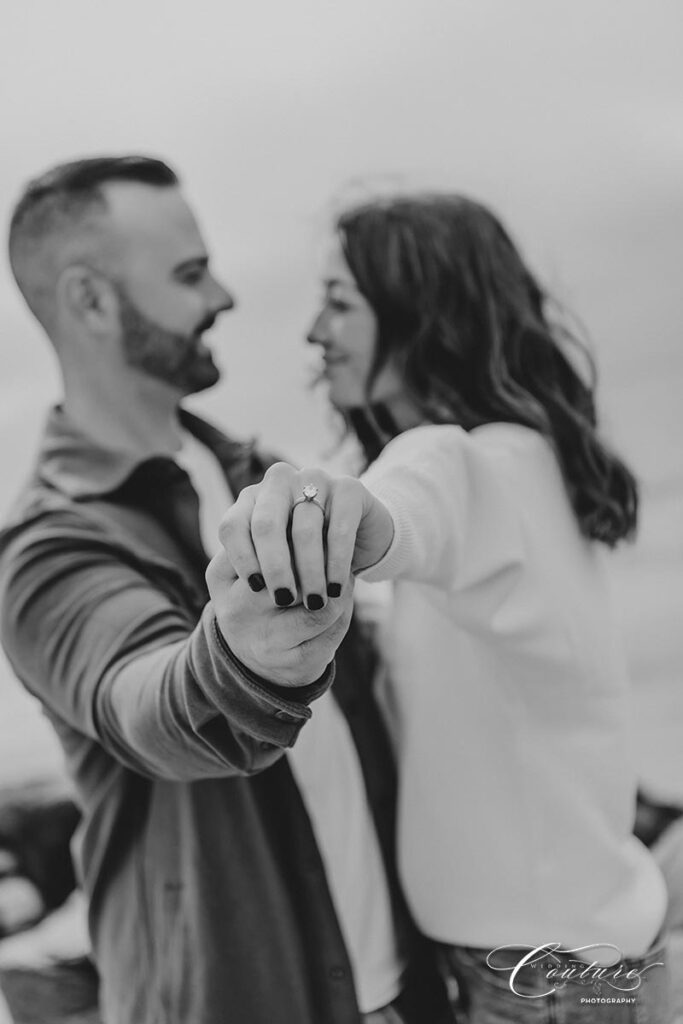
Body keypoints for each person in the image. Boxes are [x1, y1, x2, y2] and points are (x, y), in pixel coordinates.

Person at [0, 159, 449, 1024]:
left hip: (407, 990)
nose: (224, 296)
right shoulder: (48, 546)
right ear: (91, 301)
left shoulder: (254, 472)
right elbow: (144, 702)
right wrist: (241, 663)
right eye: (188, 273)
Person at [217, 193, 672, 1023]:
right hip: (577, 958)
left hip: (543, 983)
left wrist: (322, 515)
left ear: (421, 313)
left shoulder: (478, 462)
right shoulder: (526, 467)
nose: (314, 331)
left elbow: (417, 495)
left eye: (339, 302)